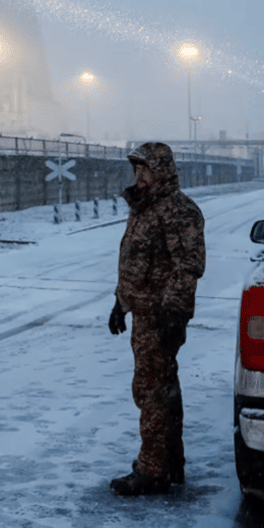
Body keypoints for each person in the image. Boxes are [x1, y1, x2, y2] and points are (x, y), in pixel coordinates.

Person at [107, 142, 206, 496]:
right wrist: (121, 303)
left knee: (150, 390)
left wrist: (173, 314)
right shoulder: (145, 208)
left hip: (162, 315)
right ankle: (169, 462)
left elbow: (187, 267)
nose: (139, 176)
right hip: (144, 312)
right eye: (136, 169)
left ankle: (153, 470)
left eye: (145, 169)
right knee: (162, 387)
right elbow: (134, 263)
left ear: (161, 170)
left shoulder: (177, 210)